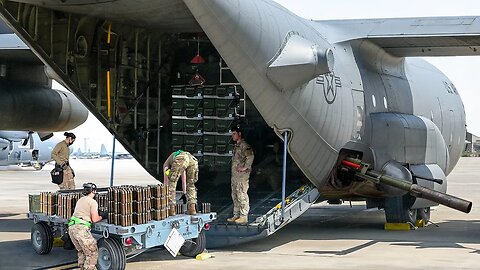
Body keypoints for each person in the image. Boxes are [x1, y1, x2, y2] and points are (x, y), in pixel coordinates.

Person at [68, 183, 104, 270]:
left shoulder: (80, 199)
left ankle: (82, 268)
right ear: (94, 191)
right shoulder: (93, 202)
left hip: (72, 228)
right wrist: (103, 216)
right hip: (81, 229)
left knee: (82, 252)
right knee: (92, 252)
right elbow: (95, 219)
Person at [227, 126, 254, 225]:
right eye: (232, 134)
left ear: (239, 134)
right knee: (235, 194)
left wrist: (245, 167)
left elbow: (250, 156)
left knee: (242, 194)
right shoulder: (236, 146)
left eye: (234, 134)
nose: (232, 136)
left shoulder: (244, 145)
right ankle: (236, 214)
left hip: (242, 176)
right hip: (235, 175)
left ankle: (243, 216)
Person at [163, 150, 199, 216]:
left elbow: (166, 181)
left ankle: (171, 210)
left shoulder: (166, 164)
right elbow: (184, 179)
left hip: (182, 158)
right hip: (192, 159)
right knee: (191, 184)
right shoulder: (177, 159)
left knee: (172, 182)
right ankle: (192, 209)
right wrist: (184, 193)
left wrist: (165, 192)